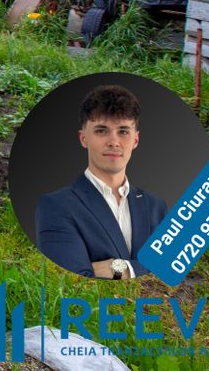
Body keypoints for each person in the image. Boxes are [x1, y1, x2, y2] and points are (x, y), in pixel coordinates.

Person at [34, 84, 168, 279]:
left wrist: (118, 268)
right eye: (101, 131)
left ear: (135, 140)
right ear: (83, 138)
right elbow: (71, 278)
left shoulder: (156, 206)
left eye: (123, 131)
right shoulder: (56, 206)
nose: (113, 142)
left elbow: (170, 271)